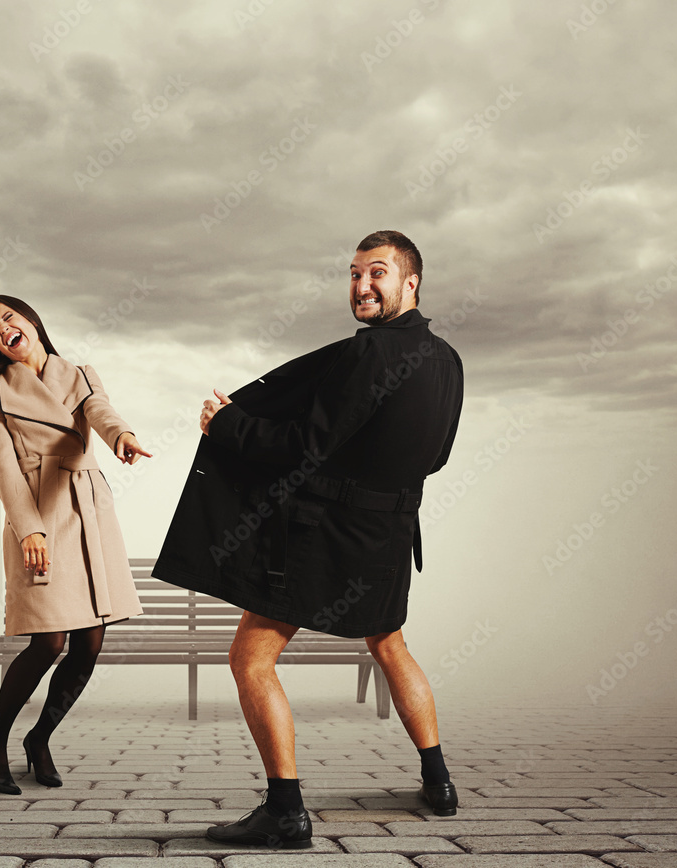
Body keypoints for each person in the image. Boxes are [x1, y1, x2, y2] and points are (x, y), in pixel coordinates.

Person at [153, 230, 464, 847]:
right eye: (353, 274)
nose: (361, 286)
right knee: (390, 644)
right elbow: (438, 457)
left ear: (412, 282)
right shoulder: (449, 362)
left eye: (376, 273)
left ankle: (286, 812)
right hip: (390, 537)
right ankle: (439, 783)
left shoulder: (368, 354)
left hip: (329, 535)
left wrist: (229, 425)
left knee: (250, 658)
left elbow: (305, 446)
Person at [0, 295, 150, 794]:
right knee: (49, 640)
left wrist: (123, 437)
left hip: (87, 511)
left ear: (30, 321)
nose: (3, 329)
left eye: (9, 317)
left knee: (90, 641)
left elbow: (101, 411)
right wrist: (28, 526)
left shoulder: (79, 372)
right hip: (38, 514)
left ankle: (40, 738)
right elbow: (2, 465)